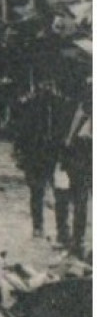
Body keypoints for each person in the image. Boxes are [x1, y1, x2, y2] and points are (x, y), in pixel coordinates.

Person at [54, 97, 92, 255]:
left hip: (81, 157)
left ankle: (75, 239)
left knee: (78, 199)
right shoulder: (76, 110)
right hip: (77, 158)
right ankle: (72, 238)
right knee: (76, 199)